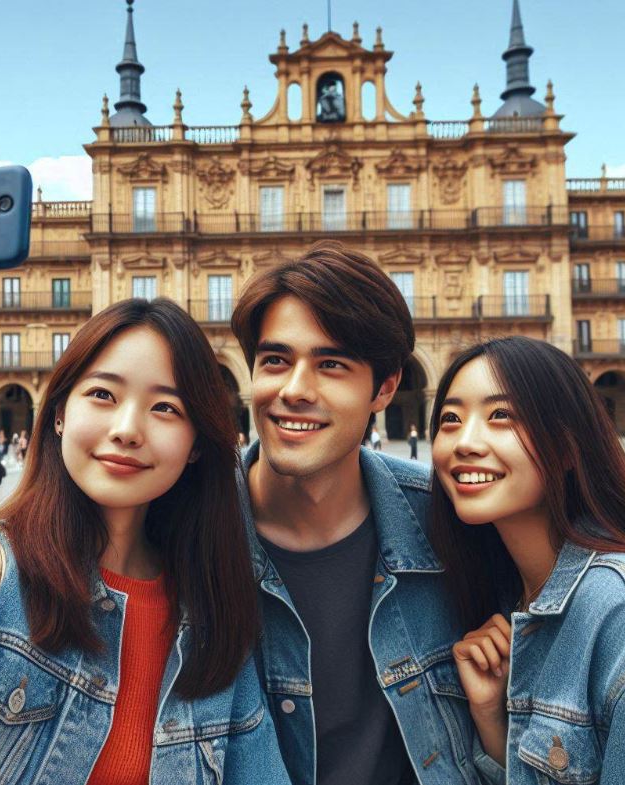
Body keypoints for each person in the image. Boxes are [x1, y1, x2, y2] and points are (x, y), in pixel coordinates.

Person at [0, 298, 290, 785]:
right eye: (104, 394)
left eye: (166, 407)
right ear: (59, 412)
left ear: (195, 445)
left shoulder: (217, 623)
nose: (127, 430)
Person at [230, 241, 480, 785]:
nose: (294, 390)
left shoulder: (451, 522)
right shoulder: (182, 527)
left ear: (385, 388)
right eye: (276, 359)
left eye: (332, 364)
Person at [430, 337, 625, 784]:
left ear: (564, 447)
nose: (465, 441)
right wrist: (490, 718)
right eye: (450, 418)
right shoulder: (508, 593)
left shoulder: (619, 614)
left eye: (500, 415)